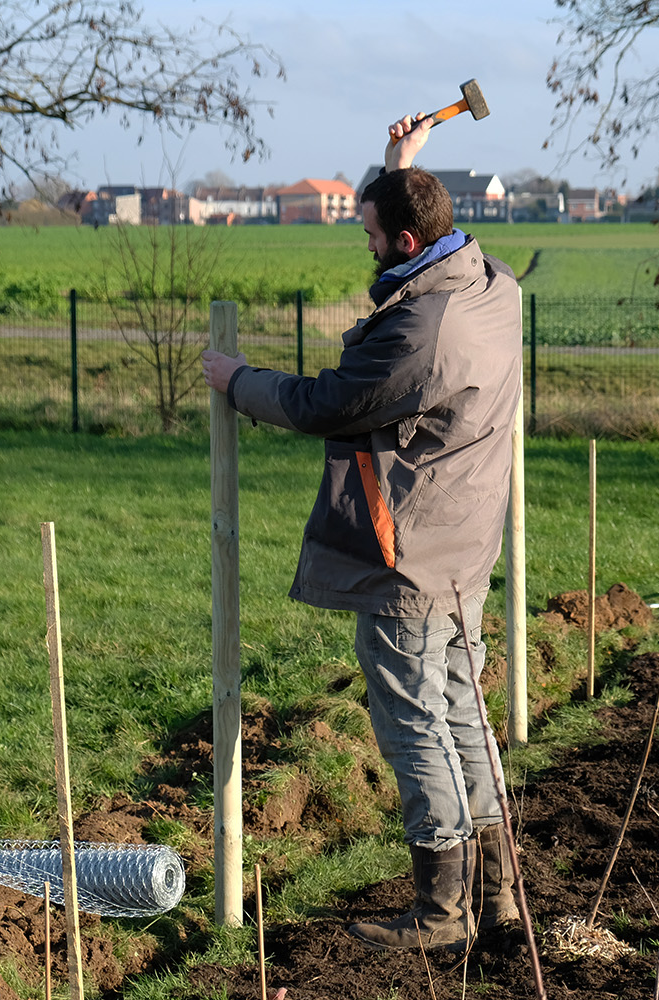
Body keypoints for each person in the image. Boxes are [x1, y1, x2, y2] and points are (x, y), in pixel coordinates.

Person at [201, 113, 523, 952]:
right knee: (461, 715)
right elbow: (413, 258)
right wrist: (396, 167)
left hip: (409, 556)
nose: (366, 248)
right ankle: (498, 902)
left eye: (372, 234)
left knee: (415, 723)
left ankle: (443, 912)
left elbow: (328, 403)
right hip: (465, 549)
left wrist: (238, 381)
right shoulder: (491, 283)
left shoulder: (423, 334)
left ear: (406, 239)